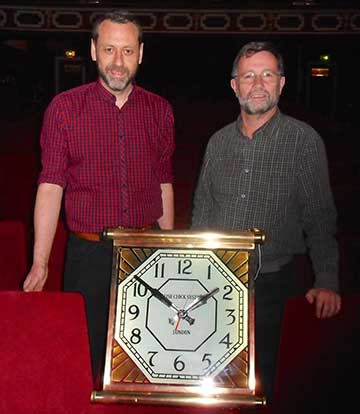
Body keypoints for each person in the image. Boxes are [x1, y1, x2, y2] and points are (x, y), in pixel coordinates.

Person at [23, 10, 175, 380]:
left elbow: (164, 182)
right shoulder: (64, 109)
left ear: (140, 53)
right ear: (93, 51)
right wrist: (41, 262)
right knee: (89, 357)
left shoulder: (160, 110)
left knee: (147, 358)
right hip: (89, 255)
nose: (118, 62)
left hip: (147, 253)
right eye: (109, 49)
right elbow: (51, 184)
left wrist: (171, 248)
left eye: (126, 50)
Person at [191, 41, 341, 403]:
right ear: (234, 85)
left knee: (266, 387)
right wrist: (193, 278)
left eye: (267, 75)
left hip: (274, 284)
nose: (258, 84)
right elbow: (201, 211)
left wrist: (327, 280)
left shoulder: (304, 141)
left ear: (281, 83)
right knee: (217, 384)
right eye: (248, 76)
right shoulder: (217, 143)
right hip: (218, 284)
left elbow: (319, 216)